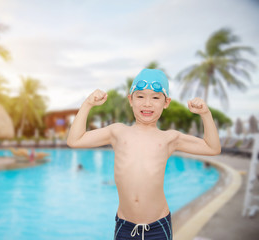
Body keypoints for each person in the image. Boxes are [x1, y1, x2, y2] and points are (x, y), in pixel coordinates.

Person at [66, 69, 221, 240]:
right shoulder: (118, 132)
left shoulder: (169, 138)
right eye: (140, 97)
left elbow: (212, 148)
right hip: (125, 227)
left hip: (158, 226)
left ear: (166, 102)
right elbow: (75, 140)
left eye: (155, 98)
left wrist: (205, 114)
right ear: (130, 100)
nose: (147, 104)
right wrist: (88, 104)